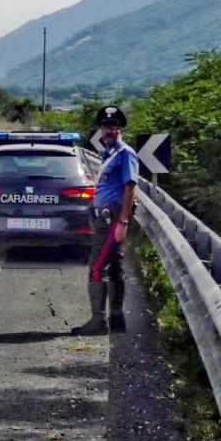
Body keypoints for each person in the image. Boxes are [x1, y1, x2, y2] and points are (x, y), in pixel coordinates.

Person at [72, 105, 139, 334]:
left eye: (114, 127)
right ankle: (117, 317)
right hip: (105, 217)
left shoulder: (125, 154)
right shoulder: (108, 154)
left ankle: (98, 321)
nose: (109, 131)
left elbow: (130, 187)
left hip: (113, 219)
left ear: (120, 129)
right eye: (105, 127)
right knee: (114, 267)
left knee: (96, 267)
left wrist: (123, 222)